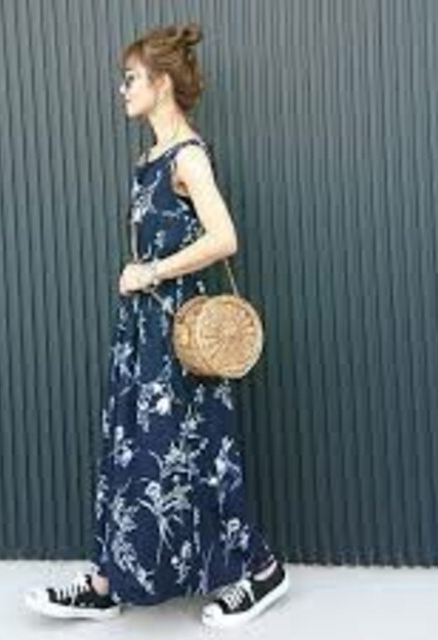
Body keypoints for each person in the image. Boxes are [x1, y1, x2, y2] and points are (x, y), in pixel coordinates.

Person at [24, 22, 290, 628]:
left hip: (180, 333)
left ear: (162, 83)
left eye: (131, 78)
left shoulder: (187, 157)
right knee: (134, 449)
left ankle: (260, 570)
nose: (122, 90)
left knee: (200, 452)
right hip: (144, 332)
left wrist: (150, 272)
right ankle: (107, 580)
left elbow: (224, 238)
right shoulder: (147, 159)